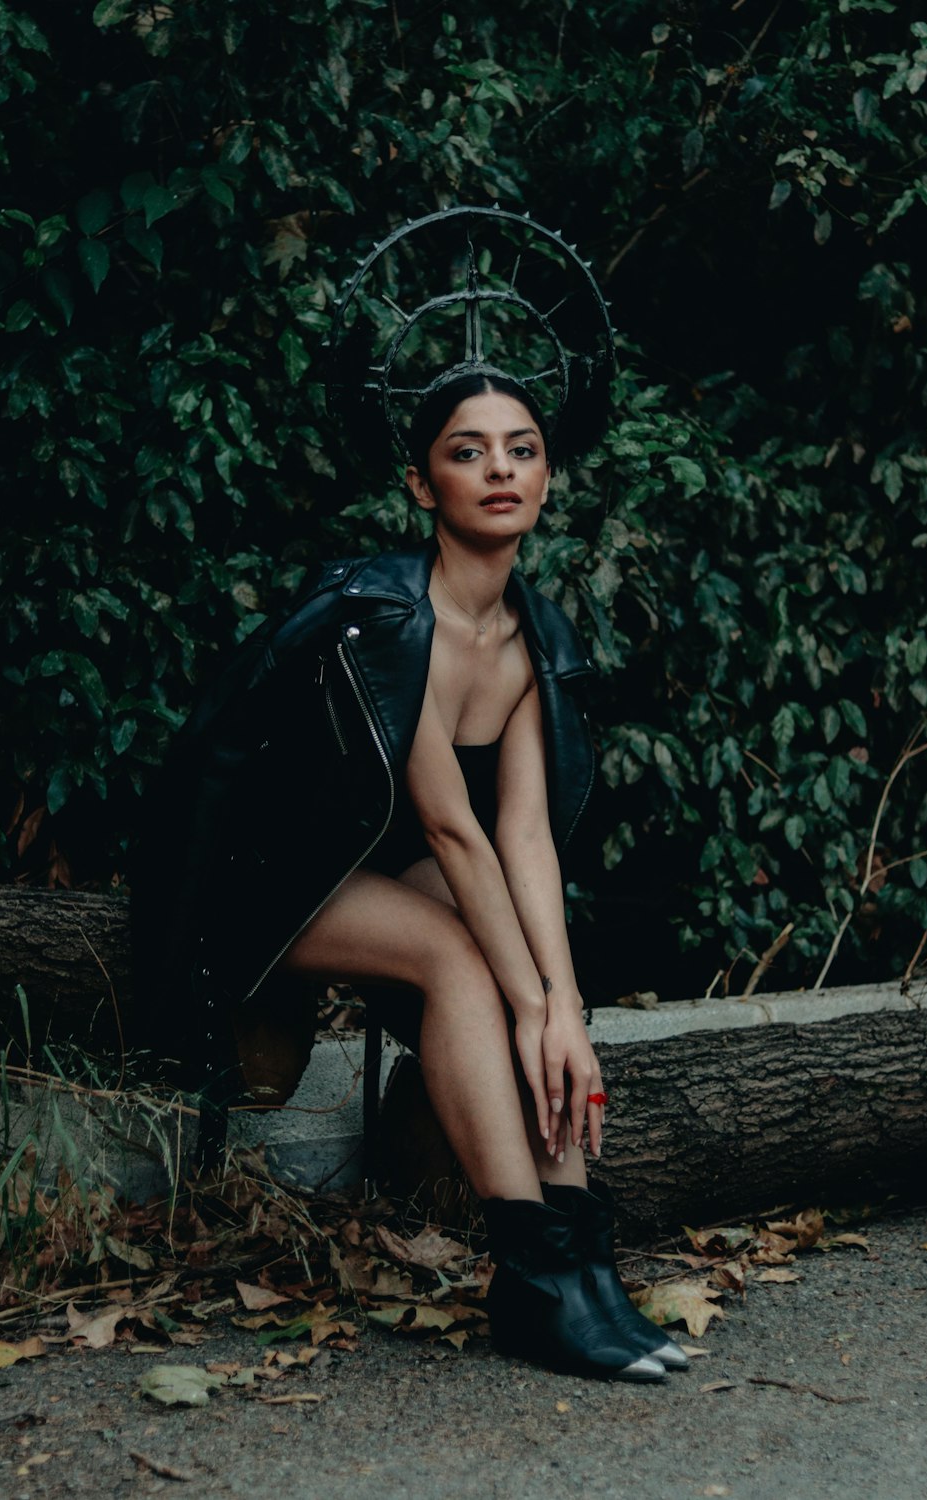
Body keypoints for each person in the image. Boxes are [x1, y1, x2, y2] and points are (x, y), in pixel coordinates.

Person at [134, 211, 688, 1382]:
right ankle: (531, 1273)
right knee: (458, 952)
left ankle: (581, 1261)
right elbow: (450, 828)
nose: (500, 470)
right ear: (420, 481)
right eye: (468, 450)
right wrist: (534, 1003)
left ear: (550, 471)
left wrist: (565, 1005)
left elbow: (524, 835)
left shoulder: (533, 630)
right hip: (260, 885)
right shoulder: (388, 619)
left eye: (522, 447)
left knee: (523, 964)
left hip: (378, 870)